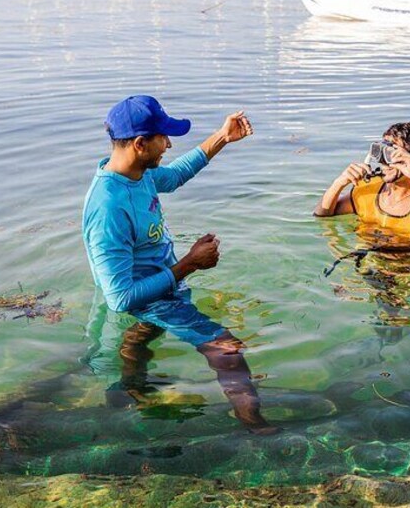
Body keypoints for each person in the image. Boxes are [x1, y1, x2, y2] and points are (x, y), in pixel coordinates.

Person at [81, 95, 274, 433]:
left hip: (159, 287)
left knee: (137, 350)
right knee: (227, 349)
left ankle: (126, 399)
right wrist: (189, 264)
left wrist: (222, 137)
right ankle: (255, 426)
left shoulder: (137, 174)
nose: (168, 145)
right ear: (140, 144)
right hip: (147, 300)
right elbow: (121, 298)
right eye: (163, 139)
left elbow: (174, 176)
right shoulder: (109, 207)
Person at [313, 122, 410, 245]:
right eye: (381, 151)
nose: (383, 162)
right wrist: (339, 183)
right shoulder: (368, 190)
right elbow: (323, 214)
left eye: (391, 154)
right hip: (373, 264)